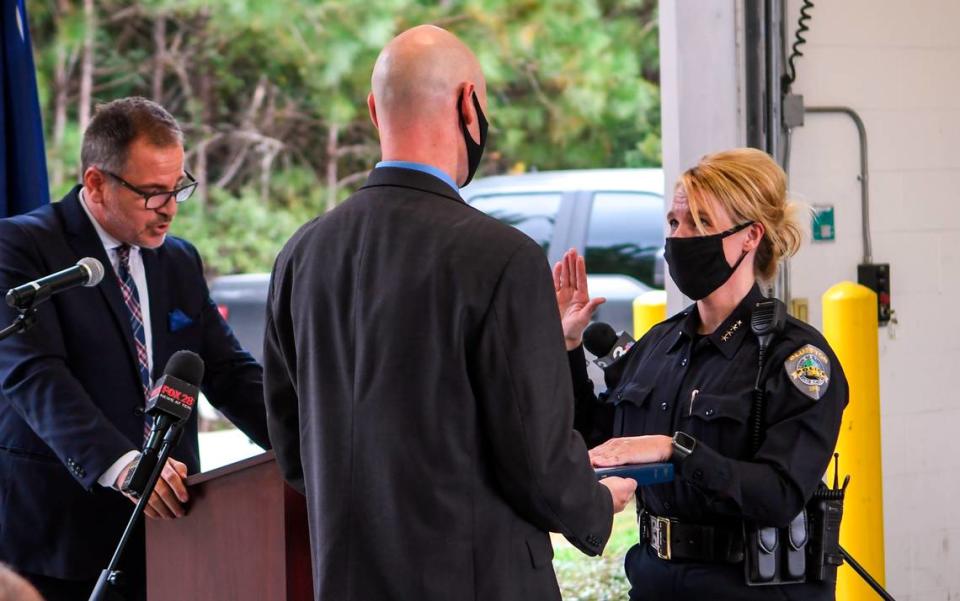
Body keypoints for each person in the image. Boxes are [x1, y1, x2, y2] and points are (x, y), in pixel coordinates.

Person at [263, 24, 637, 601]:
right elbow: (535, 457)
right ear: (469, 106)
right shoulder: (501, 256)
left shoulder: (301, 254)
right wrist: (594, 505)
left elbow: (292, 446)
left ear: (373, 111)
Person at [0, 97, 271, 601]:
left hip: (171, 532)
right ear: (96, 183)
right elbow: (33, 375)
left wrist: (307, 442)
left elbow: (230, 372)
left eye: (177, 189)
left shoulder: (179, 261)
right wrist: (124, 463)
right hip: (58, 541)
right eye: (152, 193)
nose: (169, 209)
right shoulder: (21, 248)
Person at [557, 148, 848, 600]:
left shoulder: (796, 359)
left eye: (701, 222)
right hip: (656, 583)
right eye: (675, 223)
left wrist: (676, 452)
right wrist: (570, 348)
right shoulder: (659, 344)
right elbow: (599, 443)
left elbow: (779, 494)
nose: (681, 237)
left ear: (750, 237)